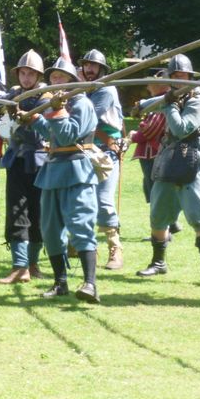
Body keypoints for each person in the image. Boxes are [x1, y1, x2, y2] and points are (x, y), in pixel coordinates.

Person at [136, 55, 200, 285]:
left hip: (195, 159)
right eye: (175, 77)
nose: (179, 80)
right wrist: (139, 107)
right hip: (170, 156)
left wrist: (168, 105)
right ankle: (158, 263)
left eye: (183, 76)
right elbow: (147, 105)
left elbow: (181, 128)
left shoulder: (199, 100)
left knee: (199, 214)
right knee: (159, 213)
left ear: (190, 77)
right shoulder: (170, 96)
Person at [26, 57, 101, 303]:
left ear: (71, 80)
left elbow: (68, 135)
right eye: (53, 78)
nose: (55, 82)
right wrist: (35, 120)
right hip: (53, 171)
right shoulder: (57, 104)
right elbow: (52, 134)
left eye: (61, 78)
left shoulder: (81, 104)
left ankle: (90, 284)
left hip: (77, 169)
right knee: (49, 230)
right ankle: (60, 283)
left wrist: (56, 110)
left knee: (80, 225)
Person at [0, 50, 49, 283]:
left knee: (38, 214)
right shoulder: (12, 95)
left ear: (38, 76)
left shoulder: (45, 97)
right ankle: (19, 266)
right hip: (16, 161)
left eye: (31, 74)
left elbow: (41, 132)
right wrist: (7, 114)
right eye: (23, 73)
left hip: (38, 162)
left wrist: (25, 118)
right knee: (17, 211)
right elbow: (5, 132)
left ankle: (33, 264)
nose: (26, 78)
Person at [78, 49, 124, 270]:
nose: (89, 69)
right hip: (86, 151)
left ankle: (115, 249)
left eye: (93, 66)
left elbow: (88, 120)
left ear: (102, 69)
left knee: (103, 201)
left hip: (106, 152)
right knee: (84, 200)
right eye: (86, 65)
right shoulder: (83, 90)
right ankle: (85, 247)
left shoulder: (106, 90)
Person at [129, 73, 183, 240]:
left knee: (157, 193)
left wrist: (134, 135)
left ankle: (165, 230)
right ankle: (169, 226)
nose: (147, 87)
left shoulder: (163, 102)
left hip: (155, 153)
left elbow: (152, 129)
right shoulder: (157, 102)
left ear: (162, 86)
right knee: (152, 191)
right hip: (150, 153)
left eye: (151, 84)